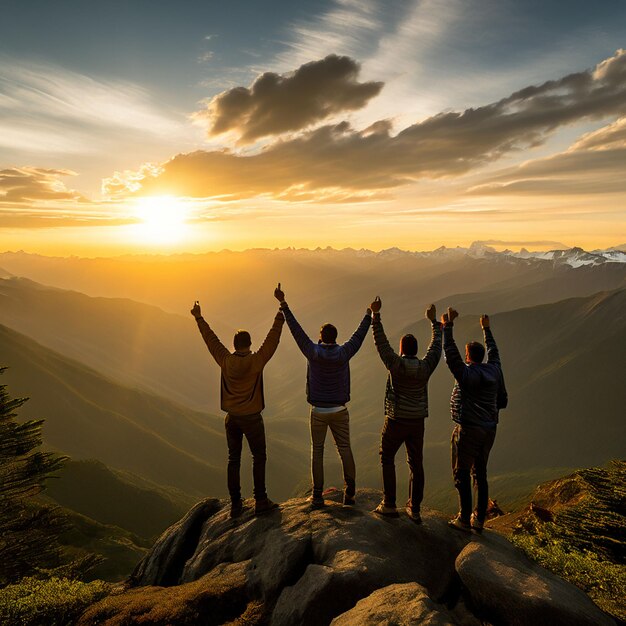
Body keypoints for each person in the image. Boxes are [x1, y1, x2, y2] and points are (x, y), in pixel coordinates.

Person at [274, 283, 371, 507]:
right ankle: (350, 493)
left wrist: (283, 303)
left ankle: (317, 495)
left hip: (318, 411)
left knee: (317, 451)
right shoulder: (344, 351)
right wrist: (369, 313)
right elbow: (359, 335)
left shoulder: (312, 351)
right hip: (339, 410)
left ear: (320, 337)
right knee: (344, 449)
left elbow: (296, 330)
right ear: (336, 338)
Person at [190, 298, 284, 518]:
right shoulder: (257, 360)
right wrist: (281, 312)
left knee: (234, 459)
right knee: (258, 457)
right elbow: (273, 339)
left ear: (234, 344)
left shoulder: (225, 360)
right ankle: (260, 500)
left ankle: (235, 505)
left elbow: (210, 340)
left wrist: (199, 317)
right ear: (250, 344)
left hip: (232, 418)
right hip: (252, 418)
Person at [370, 296, 442, 523]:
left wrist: (376, 315)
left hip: (396, 419)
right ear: (416, 350)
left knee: (387, 458)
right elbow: (436, 348)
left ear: (401, 349)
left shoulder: (396, 365)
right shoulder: (425, 367)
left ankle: (389, 504)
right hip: (417, 421)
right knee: (416, 463)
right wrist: (434, 323)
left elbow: (381, 344)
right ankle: (415, 508)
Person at [442, 308, 507, 533]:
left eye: (466, 356)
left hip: (469, 429)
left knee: (461, 473)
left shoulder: (468, 375)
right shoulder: (495, 370)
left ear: (468, 358)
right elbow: (495, 352)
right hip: (490, 429)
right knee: (480, 473)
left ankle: (463, 518)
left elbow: (451, 357)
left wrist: (447, 326)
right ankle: (478, 519)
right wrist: (486, 329)